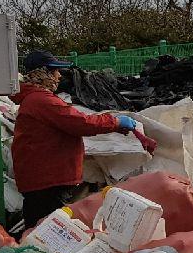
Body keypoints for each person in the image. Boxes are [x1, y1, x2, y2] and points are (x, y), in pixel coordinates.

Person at [12, 50, 138, 228]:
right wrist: (115, 121)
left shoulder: (34, 99)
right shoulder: (42, 101)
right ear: (42, 73)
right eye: (54, 71)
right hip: (48, 180)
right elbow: (80, 123)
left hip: (42, 178)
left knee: (41, 225)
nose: (58, 76)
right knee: (47, 229)